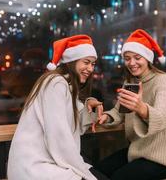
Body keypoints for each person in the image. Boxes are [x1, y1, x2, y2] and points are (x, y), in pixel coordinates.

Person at [7, 35, 109, 180]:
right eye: (86, 62)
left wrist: (88, 105)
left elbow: (75, 121)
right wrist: (80, 167)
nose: (90, 69)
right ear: (72, 61)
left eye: (93, 64)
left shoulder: (65, 85)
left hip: (49, 162)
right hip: (35, 166)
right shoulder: (55, 84)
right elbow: (58, 134)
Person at [95, 29, 166, 180]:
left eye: (137, 57)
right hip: (139, 150)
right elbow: (119, 111)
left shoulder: (163, 80)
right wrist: (107, 117)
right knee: (97, 171)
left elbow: (162, 119)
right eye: (127, 58)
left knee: (119, 177)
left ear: (147, 58)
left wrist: (140, 108)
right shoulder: (130, 83)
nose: (131, 63)